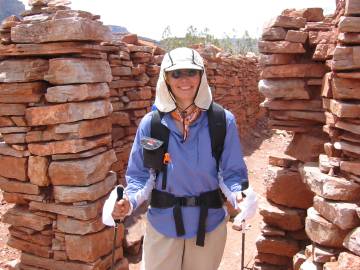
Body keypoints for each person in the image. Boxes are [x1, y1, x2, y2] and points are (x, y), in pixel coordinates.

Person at [110, 47, 248, 270]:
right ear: (166, 77)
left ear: (201, 76)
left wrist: (240, 196)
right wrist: (128, 202)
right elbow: (141, 176)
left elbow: (232, 173)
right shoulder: (152, 125)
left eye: (191, 72)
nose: (184, 80)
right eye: (176, 73)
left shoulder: (222, 121)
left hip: (209, 224)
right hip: (163, 223)